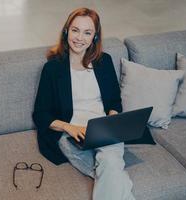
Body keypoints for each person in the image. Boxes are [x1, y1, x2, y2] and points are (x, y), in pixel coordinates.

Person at [32, 7, 135, 200]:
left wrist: (112, 119)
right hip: (71, 133)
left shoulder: (104, 62)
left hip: (103, 129)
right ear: (66, 31)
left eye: (87, 32)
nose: (80, 38)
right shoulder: (52, 69)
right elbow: (40, 114)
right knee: (113, 170)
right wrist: (69, 127)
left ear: (95, 36)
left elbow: (114, 101)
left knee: (109, 162)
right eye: (75, 30)